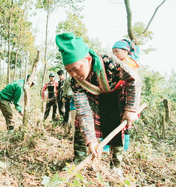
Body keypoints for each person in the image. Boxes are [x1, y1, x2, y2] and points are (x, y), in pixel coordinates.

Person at [55, 33, 142, 175]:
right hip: (92, 100)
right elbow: (83, 111)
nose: (73, 74)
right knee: (79, 124)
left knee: (116, 128)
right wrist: (91, 141)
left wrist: (130, 109)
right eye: (68, 70)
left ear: (88, 60)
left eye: (76, 68)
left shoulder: (109, 62)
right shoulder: (75, 82)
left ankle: (115, 167)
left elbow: (134, 79)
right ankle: (79, 159)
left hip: (115, 95)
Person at [112, 38, 140, 151]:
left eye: (116, 51)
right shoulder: (120, 63)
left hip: (128, 99)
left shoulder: (129, 64)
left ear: (125, 51)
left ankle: (123, 149)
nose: (114, 54)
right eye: (113, 52)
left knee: (125, 124)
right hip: (119, 97)